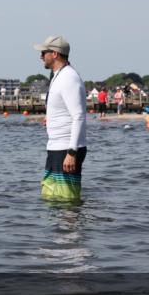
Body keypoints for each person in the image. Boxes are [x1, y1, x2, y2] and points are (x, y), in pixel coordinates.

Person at [34, 35, 87, 201]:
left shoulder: (68, 77)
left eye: (44, 52)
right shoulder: (58, 75)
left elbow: (78, 116)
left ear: (55, 54)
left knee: (67, 202)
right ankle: (57, 229)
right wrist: (51, 118)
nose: (41, 56)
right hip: (56, 147)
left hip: (66, 149)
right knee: (50, 198)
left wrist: (72, 152)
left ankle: (73, 227)